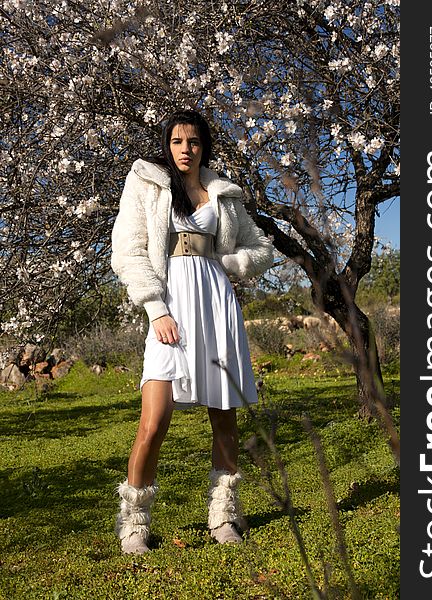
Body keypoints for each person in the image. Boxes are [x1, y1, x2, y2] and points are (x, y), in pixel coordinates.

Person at [111, 109, 274, 554]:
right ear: (168, 144)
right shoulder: (146, 184)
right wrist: (156, 310)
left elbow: (261, 247)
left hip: (216, 305)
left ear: (205, 146)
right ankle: (135, 522)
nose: (186, 149)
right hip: (170, 310)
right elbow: (128, 252)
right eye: (178, 141)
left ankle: (223, 515)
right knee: (154, 420)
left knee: (223, 415)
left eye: (194, 142)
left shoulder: (223, 194)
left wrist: (229, 263)